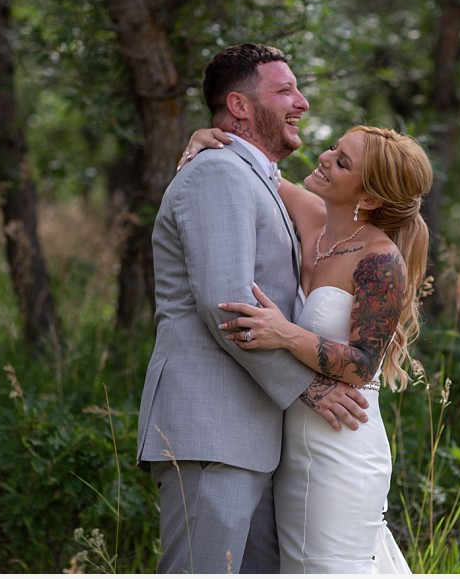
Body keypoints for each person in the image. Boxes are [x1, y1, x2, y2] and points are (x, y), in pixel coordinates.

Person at [136, 43, 371, 574]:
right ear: (239, 106)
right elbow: (229, 305)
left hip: (253, 436)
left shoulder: (255, 179)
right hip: (210, 428)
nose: (302, 102)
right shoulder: (217, 173)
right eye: (285, 89)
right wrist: (309, 388)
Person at [181, 123, 433, 573]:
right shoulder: (314, 221)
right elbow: (255, 171)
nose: (324, 157)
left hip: (341, 443)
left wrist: (285, 333)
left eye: (342, 162)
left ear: (369, 198)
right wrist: (209, 139)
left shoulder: (380, 259)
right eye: (335, 147)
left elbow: (361, 366)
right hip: (290, 445)